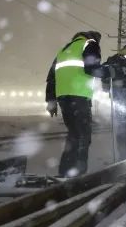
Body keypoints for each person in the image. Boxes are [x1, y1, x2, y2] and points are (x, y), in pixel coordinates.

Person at [45, 31, 109, 177]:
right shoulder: (90, 44)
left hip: (63, 98)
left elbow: (51, 78)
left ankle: (65, 172)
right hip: (79, 96)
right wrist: (108, 72)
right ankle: (79, 174)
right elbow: (91, 68)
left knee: (73, 134)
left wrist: (51, 102)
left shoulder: (64, 50)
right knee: (83, 136)